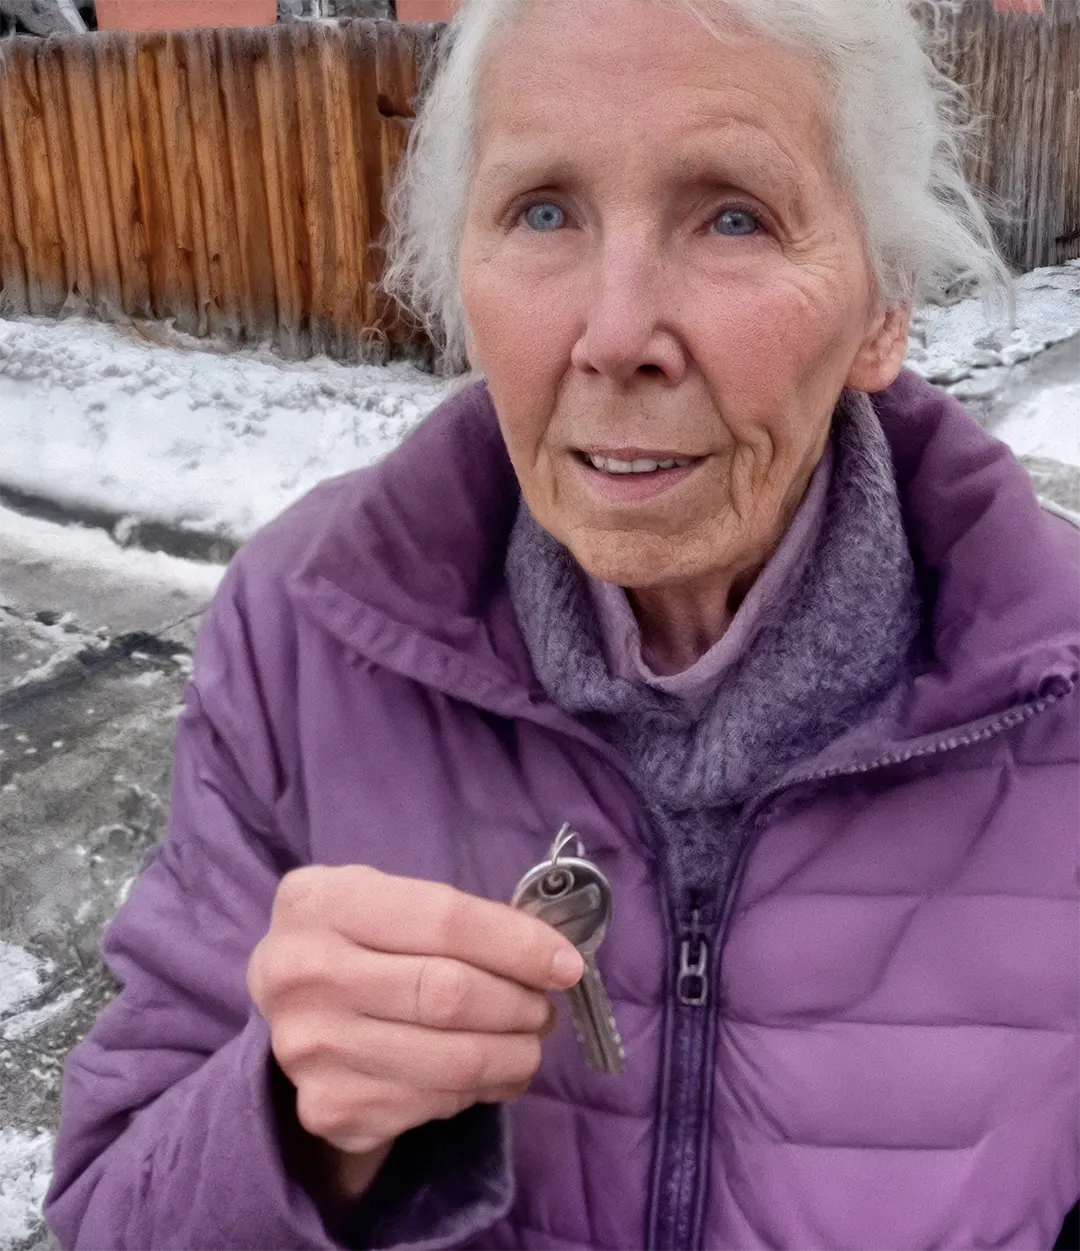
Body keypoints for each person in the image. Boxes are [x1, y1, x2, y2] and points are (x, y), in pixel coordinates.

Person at [42, 0, 1080, 1246]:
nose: (616, 334)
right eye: (543, 212)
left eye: (734, 216)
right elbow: (111, 1215)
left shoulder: (1058, 683)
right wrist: (295, 1125)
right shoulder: (303, 632)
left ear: (883, 309)